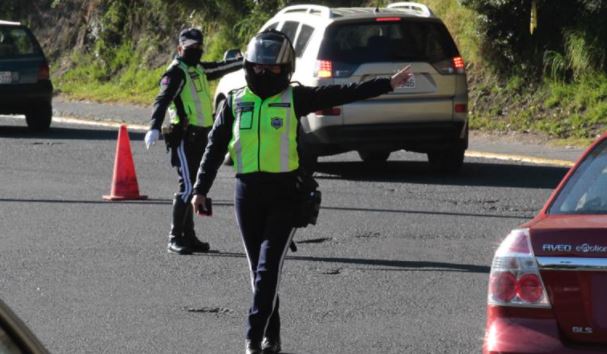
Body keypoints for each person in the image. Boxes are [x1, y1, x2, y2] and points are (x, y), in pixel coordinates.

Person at [191, 30, 413, 354]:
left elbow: (341, 93)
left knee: (268, 271)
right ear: (249, 66)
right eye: (259, 67)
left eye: (273, 68)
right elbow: (213, 148)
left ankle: (252, 337)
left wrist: (387, 84)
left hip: (285, 195)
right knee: (259, 272)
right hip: (246, 195)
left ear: (287, 69)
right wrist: (200, 188)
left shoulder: (294, 98)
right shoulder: (236, 101)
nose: (265, 73)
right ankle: (272, 335)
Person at [144, 27, 242, 255]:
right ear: (180, 49)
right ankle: (174, 237)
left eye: (199, 47)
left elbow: (220, 67)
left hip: (202, 137)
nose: (195, 51)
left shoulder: (197, 68)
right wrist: (153, 127)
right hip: (184, 137)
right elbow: (162, 100)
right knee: (187, 187)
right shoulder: (176, 73)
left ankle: (189, 236)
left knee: (196, 187)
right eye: (190, 48)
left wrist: (245, 62)